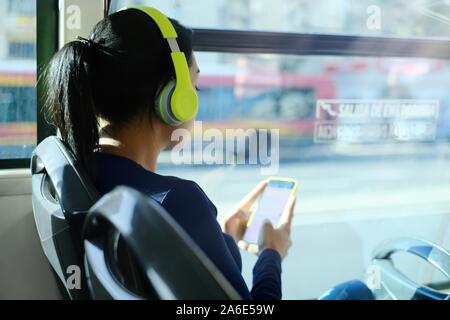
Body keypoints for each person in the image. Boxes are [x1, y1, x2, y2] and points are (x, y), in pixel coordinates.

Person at [43, 7, 373, 300]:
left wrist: (223, 237)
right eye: (194, 86)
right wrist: (271, 253)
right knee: (355, 292)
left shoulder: (79, 175)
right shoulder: (178, 201)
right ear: (173, 97)